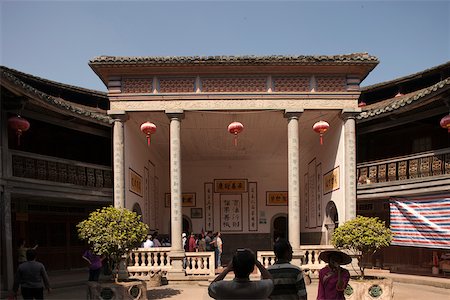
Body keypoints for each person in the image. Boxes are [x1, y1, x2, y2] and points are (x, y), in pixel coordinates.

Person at [208, 248, 274, 299]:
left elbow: (211, 288)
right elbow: (271, 281)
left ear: (233, 267)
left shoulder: (222, 287)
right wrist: (257, 263)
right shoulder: (260, 287)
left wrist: (227, 269)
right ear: (252, 269)